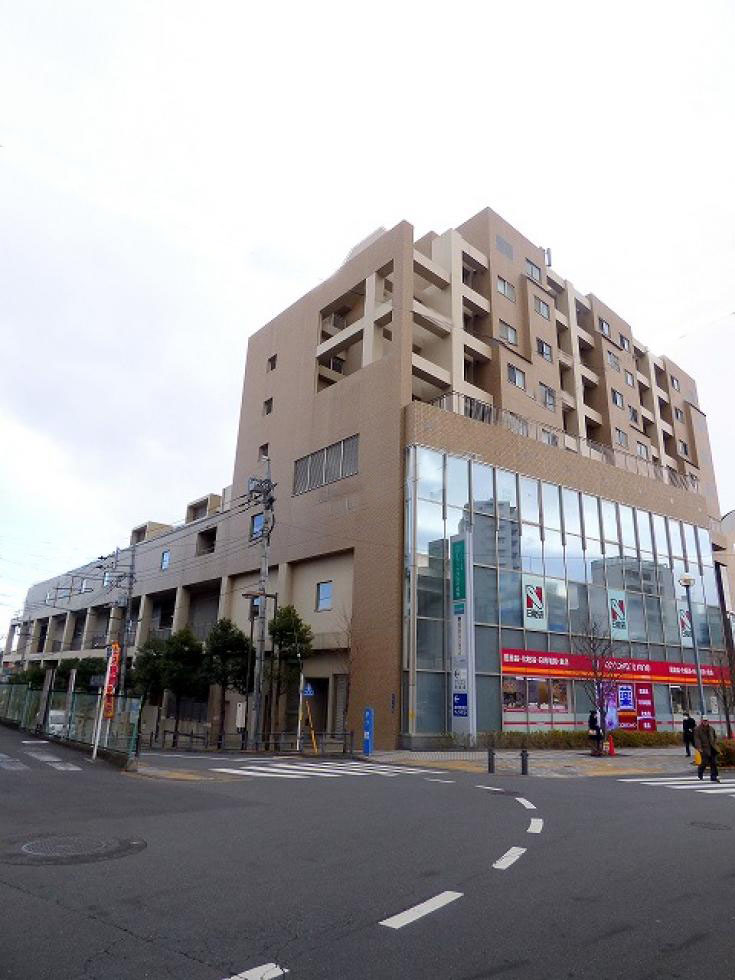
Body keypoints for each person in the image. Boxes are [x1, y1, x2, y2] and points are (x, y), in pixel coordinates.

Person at [694, 716, 721, 782]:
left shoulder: (711, 728)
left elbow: (715, 737)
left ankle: (713, 777)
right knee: (704, 762)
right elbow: (697, 739)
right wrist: (699, 747)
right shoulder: (698, 729)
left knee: (714, 762)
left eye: (706, 721)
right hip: (704, 748)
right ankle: (700, 772)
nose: (705, 722)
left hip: (712, 748)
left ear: (708, 721)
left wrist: (715, 743)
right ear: (702, 721)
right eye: (704, 721)